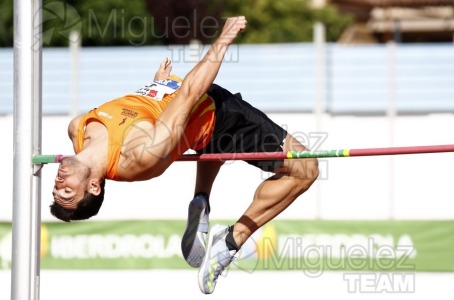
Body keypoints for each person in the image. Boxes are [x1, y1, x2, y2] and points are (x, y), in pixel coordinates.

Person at [50, 16, 319, 294]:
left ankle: (201, 199)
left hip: (184, 110)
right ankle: (230, 241)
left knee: (202, 141)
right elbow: (190, 93)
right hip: (219, 118)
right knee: (306, 168)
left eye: (56, 190)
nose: (59, 185)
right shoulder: (141, 155)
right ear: (94, 186)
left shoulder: (77, 130)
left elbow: (135, 111)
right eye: (67, 193)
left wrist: (157, 88)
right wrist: (224, 39)